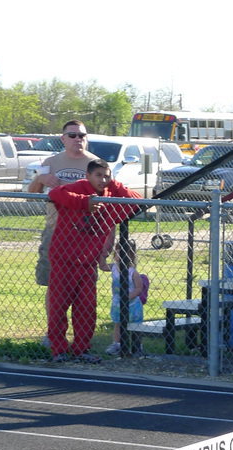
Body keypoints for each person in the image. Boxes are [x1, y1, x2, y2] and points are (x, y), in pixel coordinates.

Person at [46, 159, 142, 363]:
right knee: (58, 307)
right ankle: (59, 350)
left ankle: (81, 349)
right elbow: (54, 194)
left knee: (87, 309)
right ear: (88, 175)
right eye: (98, 175)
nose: (103, 179)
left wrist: (114, 184)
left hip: (88, 264)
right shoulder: (76, 189)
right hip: (64, 260)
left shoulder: (111, 197)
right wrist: (85, 202)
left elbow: (137, 200)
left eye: (107, 175)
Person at [29, 119, 100, 287]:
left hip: (85, 232)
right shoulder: (50, 163)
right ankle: (53, 315)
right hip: (55, 230)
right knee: (52, 284)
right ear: (63, 139)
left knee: (84, 286)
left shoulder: (96, 164)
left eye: (82, 135)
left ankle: (81, 314)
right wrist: (40, 178)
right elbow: (32, 194)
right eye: (72, 135)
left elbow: (106, 198)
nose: (78, 139)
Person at [106, 238, 145, 357]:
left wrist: (128, 296)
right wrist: (102, 253)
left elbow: (139, 288)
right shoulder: (113, 267)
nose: (120, 256)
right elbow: (102, 266)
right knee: (118, 324)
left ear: (131, 256)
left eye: (124, 253)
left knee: (135, 325)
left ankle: (137, 345)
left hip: (132, 304)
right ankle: (117, 344)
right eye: (118, 252)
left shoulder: (132, 272)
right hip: (118, 303)